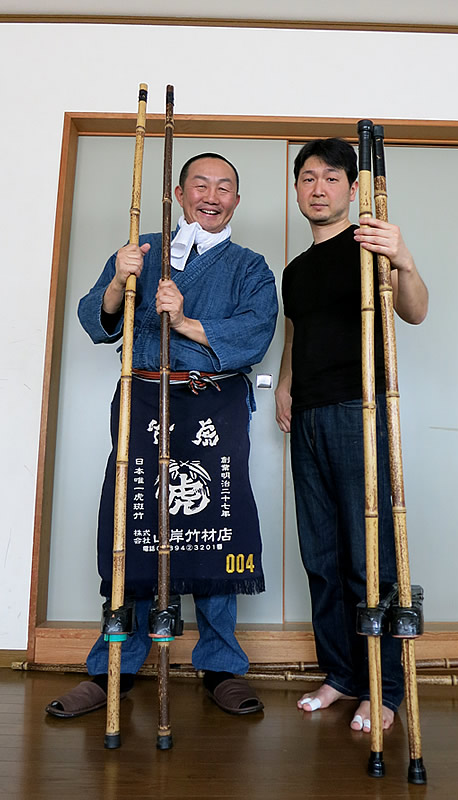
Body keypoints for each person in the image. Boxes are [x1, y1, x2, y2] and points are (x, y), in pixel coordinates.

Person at [46, 153, 278, 718]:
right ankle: (113, 666)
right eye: (201, 184)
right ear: (179, 193)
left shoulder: (250, 265)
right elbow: (94, 320)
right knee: (135, 524)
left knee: (216, 525)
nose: (213, 195)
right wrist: (121, 280)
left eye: (226, 187)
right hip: (144, 396)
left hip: (213, 403)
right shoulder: (142, 249)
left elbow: (256, 332)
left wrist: (185, 322)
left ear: (237, 202)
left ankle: (221, 664)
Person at [275, 138, 428, 733]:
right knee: (321, 556)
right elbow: (296, 332)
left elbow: (414, 312)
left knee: (373, 560)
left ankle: (385, 690)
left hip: (359, 410)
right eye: (308, 178)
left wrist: (406, 261)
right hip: (308, 414)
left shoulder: (370, 246)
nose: (318, 188)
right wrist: (286, 384)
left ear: (352, 187)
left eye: (331, 178)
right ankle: (342, 674)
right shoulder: (295, 269)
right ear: (297, 190)